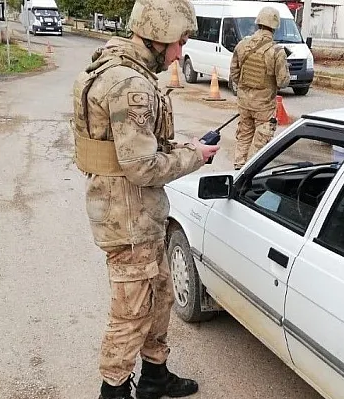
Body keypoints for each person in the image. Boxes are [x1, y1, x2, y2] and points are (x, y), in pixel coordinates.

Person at [70, 0, 220, 398]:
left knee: (159, 295)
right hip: (129, 217)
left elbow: (132, 148)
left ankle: (155, 377)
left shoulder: (113, 67)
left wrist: (178, 145)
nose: (180, 53)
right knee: (131, 311)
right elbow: (141, 168)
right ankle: (114, 391)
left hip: (136, 212)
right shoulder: (130, 84)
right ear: (159, 35)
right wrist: (194, 156)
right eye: (180, 42)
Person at [229, 6, 291, 170]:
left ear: (258, 23)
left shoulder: (242, 45)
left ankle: (238, 168)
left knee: (244, 135)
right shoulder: (277, 51)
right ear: (275, 26)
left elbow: (234, 74)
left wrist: (245, 88)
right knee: (260, 144)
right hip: (264, 106)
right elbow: (283, 82)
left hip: (244, 102)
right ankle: (250, 174)